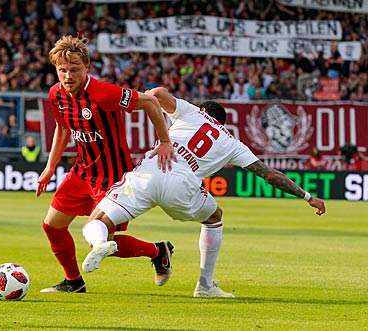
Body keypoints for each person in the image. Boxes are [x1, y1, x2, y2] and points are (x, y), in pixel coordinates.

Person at [81, 87, 326, 298]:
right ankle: (205, 285)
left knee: (99, 221)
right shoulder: (232, 143)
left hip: (150, 171)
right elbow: (270, 175)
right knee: (214, 217)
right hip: (183, 188)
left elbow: (156, 94)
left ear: (204, 110)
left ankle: (101, 243)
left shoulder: (192, 112)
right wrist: (307, 196)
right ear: (223, 123)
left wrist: (144, 103)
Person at [36, 36, 175, 293]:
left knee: (99, 242)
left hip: (113, 178)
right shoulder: (56, 94)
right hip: (82, 172)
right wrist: (50, 167)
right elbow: (62, 128)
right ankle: (74, 282)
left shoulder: (104, 93)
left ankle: (158, 251)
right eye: (62, 70)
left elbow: (150, 102)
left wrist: (165, 141)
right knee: (52, 226)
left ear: (87, 67)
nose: (68, 76)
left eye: (75, 69)